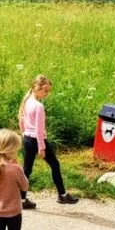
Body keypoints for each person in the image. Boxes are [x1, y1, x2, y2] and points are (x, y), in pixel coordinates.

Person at [18, 74, 78, 208]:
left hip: (27, 138)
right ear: (36, 88)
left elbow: (21, 120)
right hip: (38, 140)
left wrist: (23, 134)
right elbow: (39, 129)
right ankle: (62, 195)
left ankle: (21, 199)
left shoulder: (26, 101)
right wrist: (41, 147)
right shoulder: (38, 106)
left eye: (48, 91)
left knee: (27, 169)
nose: (47, 93)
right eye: (45, 90)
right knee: (55, 165)